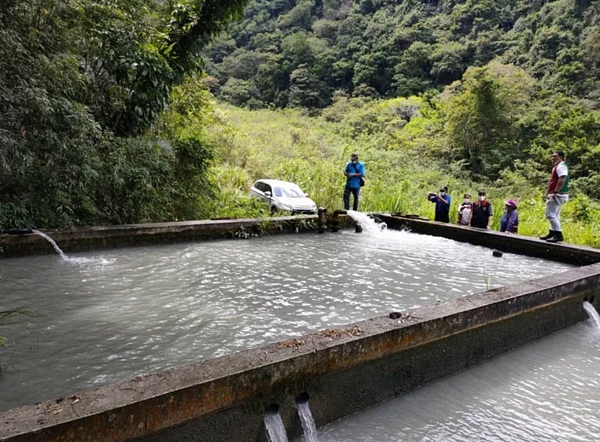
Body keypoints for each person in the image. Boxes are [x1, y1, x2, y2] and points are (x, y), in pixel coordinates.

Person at [540, 150, 569, 243]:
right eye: (552, 156)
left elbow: (562, 178)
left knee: (550, 214)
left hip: (557, 194)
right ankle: (552, 233)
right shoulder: (558, 167)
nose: (552, 158)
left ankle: (558, 235)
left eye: (555, 156)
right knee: (555, 215)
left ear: (561, 157)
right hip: (558, 193)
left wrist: (556, 191)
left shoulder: (561, 167)